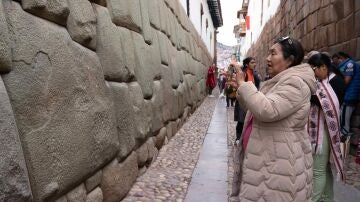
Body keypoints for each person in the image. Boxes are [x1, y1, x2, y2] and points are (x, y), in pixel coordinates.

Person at [231, 36, 316, 201]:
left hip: (278, 167)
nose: (267, 58)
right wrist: (241, 91)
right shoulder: (279, 81)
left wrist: (245, 86)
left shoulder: (295, 83)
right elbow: (255, 109)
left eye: (273, 53)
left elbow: (268, 110)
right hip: (267, 161)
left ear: (289, 60)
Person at [307, 53, 345, 202]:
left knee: (317, 171)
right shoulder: (327, 80)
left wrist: (308, 89)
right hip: (324, 131)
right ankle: (328, 198)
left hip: (324, 133)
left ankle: (314, 199)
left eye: (313, 69)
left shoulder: (335, 82)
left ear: (323, 67)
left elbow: (323, 103)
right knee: (324, 169)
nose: (312, 74)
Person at [234, 57, 260, 141]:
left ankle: (246, 137)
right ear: (246, 64)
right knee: (241, 120)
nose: (254, 64)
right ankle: (238, 138)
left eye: (255, 62)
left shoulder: (255, 74)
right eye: (252, 62)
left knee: (249, 119)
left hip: (252, 99)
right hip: (243, 99)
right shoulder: (244, 74)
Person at [335, 52, 360, 137]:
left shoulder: (349, 64)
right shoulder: (348, 64)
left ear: (340, 58)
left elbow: (346, 80)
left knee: (345, 117)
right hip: (350, 94)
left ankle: (344, 133)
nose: (336, 63)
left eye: (336, 61)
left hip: (350, 95)